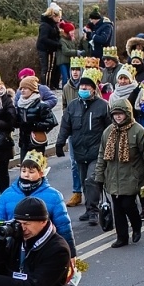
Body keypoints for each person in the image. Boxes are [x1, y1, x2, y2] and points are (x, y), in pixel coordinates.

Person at [0, 151, 78, 256]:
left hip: (43, 251)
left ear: (41, 173)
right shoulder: (7, 195)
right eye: (23, 171)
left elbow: (63, 227)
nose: (26, 174)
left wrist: (71, 254)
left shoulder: (54, 196)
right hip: (13, 251)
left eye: (31, 172)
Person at [98, 94, 144, 247]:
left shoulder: (138, 131)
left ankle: (136, 226)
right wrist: (99, 177)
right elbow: (102, 155)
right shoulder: (108, 132)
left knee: (128, 204)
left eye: (121, 114)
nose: (118, 117)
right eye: (115, 114)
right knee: (118, 209)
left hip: (132, 176)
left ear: (128, 114)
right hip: (113, 177)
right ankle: (122, 237)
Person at [55, 71, 109, 223]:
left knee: (92, 179)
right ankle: (88, 208)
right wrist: (60, 142)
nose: (84, 88)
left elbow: (109, 128)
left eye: (87, 86)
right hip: (79, 150)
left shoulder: (103, 106)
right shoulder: (73, 106)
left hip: (96, 150)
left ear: (93, 89)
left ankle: (93, 210)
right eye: (82, 86)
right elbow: (65, 125)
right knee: (84, 179)